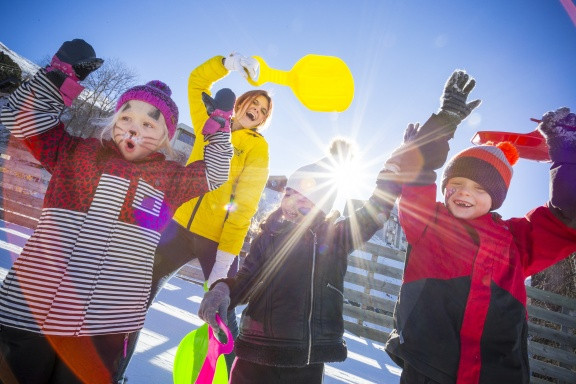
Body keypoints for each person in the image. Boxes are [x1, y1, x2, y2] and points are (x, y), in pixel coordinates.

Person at [0, 39, 233, 384]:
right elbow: (20, 121)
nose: (135, 128)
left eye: (150, 124)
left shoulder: (170, 179)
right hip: (29, 311)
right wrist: (57, 78)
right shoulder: (74, 152)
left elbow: (214, 173)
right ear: (113, 122)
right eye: (127, 116)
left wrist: (219, 128)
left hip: (104, 329)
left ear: (167, 138)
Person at [382, 71, 576, 383]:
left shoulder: (517, 241)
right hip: (430, 368)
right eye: (456, 184)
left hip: (495, 374)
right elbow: (416, 174)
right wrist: (445, 120)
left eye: (479, 188)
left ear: (496, 197)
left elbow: (567, 217)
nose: (463, 193)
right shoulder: (429, 223)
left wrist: (566, 150)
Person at [116, 52, 273, 378]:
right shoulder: (211, 121)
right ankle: (112, 370)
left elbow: (245, 205)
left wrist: (225, 257)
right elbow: (196, 82)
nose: (255, 112)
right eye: (252, 104)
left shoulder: (257, 148)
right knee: (132, 301)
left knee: (223, 315)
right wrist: (227, 63)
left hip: (216, 240)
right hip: (176, 225)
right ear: (241, 103)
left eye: (262, 112)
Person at [197, 151, 402, 384]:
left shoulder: (335, 238)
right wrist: (223, 289)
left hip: (304, 360)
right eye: (289, 193)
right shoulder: (268, 237)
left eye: (304, 198)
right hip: (256, 351)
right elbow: (246, 279)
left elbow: (372, 215)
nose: (292, 202)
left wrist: (391, 176)